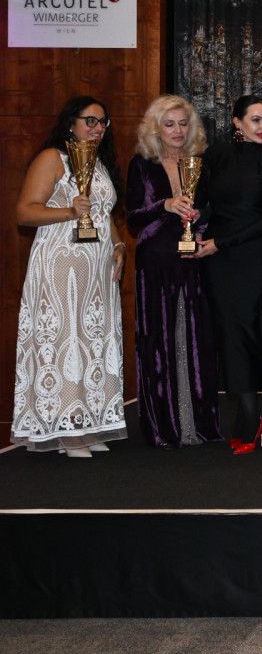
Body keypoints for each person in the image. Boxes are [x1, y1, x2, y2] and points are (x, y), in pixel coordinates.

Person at [13, 96, 128, 457]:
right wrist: (68, 211)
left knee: (93, 342)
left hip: (97, 270)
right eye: (90, 120)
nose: (97, 128)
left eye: (102, 122)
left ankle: (89, 423)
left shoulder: (100, 164)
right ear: (70, 123)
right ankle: (67, 431)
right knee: (66, 340)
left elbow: (103, 213)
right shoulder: (53, 158)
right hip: (61, 264)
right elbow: (24, 213)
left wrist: (119, 245)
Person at [194, 94, 262, 454]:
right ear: (237, 122)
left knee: (249, 333)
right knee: (229, 334)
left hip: (255, 258)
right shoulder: (214, 157)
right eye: (256, 120)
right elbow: (205, 201)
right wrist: (194, 220)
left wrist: (220, 242)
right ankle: (250, 417)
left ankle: (249, 415)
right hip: (218, 260)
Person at [126, 94, 221, 448]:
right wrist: (165, 204)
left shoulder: (202, 164)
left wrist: (201, 223)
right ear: (156, 129)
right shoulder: (141, 164)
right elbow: (133, 219)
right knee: (159, 343)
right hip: (155, 263)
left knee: (195, 343)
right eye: (169, 124)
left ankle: (196, 424)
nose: (178, 131)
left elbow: (212, 209)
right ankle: (163, 427)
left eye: (183, 124)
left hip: (193, 261)